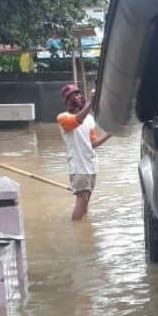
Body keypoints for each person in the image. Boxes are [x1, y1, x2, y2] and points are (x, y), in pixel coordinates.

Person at [56, 84, 111, 221]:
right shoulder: (63, 118)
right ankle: (77, 233)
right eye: (73, 96)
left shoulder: (90, 119)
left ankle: (84, 232)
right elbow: (76, 121)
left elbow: (93, 144)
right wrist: (91, 103)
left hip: (91, 167)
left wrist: (110, 134)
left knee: (85, 205)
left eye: (78, 94)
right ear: (67, 101)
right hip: (79, 168)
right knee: (81, 203)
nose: (78, 97)